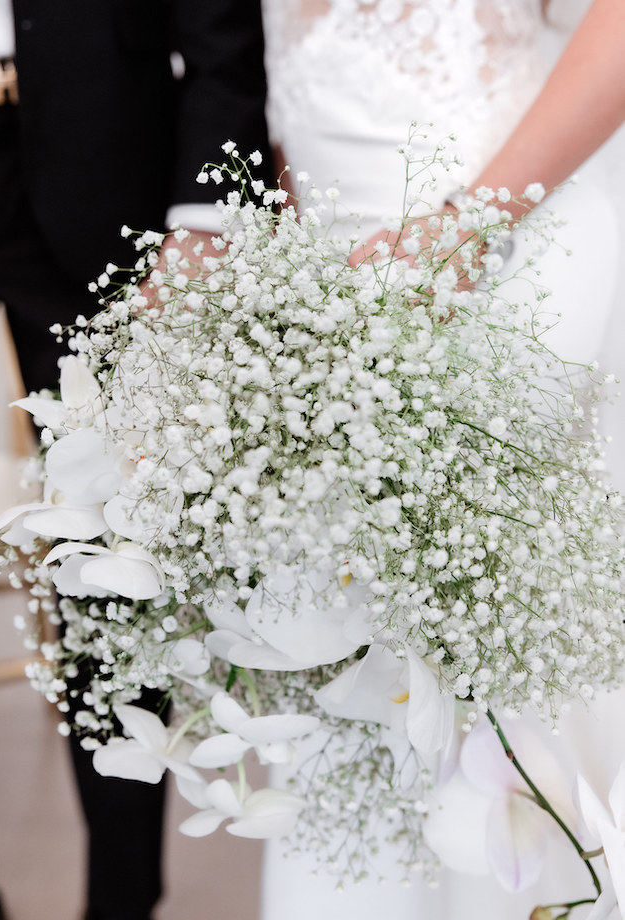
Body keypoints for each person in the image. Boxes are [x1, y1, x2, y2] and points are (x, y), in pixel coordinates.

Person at [259, 0, 625, 917]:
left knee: (491, 658)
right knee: (343, 684)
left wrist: (471, 223)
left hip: (505, 257)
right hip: (324, 306)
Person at [0, 2, 272, 918]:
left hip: (104, 170)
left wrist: (202, 216)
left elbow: (224, 33)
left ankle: (124, 901)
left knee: (110, 570)